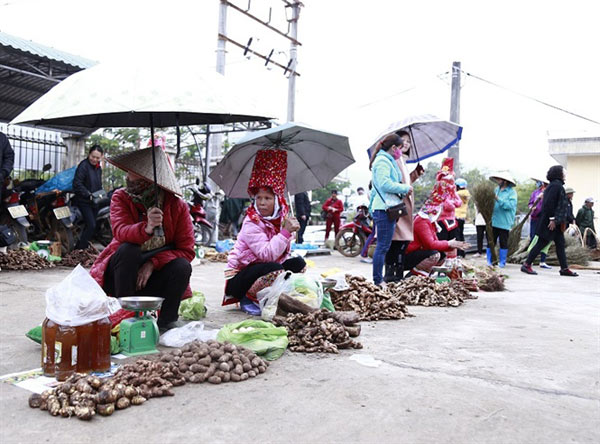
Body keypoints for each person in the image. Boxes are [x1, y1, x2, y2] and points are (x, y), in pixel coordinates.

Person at [90, 146, 195, 332]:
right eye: (129, 172)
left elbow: (186, 250)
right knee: (128, 249)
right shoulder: (120, 197)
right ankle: (125, 316)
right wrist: (146, 228)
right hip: (122, 276)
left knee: (182, 266)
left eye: (134, 172)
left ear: (148, 179)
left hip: (153, 279)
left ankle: (167, 321)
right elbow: (121, 231)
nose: (129, 177)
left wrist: (153, 263)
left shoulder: (177, 206)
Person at [223, 150, 305, 315]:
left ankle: (276, 295)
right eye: (258, 198)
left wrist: (290, 232)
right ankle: (248, 298)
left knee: (299, 264)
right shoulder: (251, 222)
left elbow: (282, 252)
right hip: (239, 279)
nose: (261, 202)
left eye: (267, 198)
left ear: (277, 201)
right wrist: (285, 232)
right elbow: (266, 254)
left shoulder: (280, 218)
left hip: (262, 269)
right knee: (274, 268)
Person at [369, 133, 411, 286]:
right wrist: (405, 188)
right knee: (382, 247)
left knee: (383, 246)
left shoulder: (386, 161)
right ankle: (378, 280)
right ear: (394, 148)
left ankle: (378, 279)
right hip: (384, 210)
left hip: (385, 208)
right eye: (400, 147)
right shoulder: (382, 162)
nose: (401, 151)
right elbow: (384, 184)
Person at [521, 165, 578, 276]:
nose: (565, 174)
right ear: (558, 174)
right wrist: (552, 219)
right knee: (541, 243)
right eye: (563, 172)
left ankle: (564, 268)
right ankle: (527, 264)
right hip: (550, 223)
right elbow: (549, 204)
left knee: (560, 244)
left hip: (556, 223)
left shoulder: (555, 186)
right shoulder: (556, 186)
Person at [385, 130, 424, 282]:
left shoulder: (403, 160)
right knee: (396, 241)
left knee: (402, 242)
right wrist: (405, 187)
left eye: (408, 141)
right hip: (397, 206)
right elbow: (395, 183)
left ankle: (396, 274)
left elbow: (405, 182)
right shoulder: (393, 160)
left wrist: (415, 174)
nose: (406, 143)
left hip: (405, 206)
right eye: (403, 140)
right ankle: (391, 275)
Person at [404, 204, 470, 277]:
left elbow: (436, 242)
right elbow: (430, 244)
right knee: (434, 255)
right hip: (409, 255)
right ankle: (415, 273)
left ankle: (427, 273)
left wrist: (452, 246)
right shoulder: (421, 221)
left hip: (419, 251)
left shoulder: (429, 221)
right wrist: (449, 243)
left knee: (442, 255)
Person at [73, 145, 104, 250]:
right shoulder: (83, 166)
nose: (94, 159)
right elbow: (77, 183)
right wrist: (88, 194)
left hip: (95, 201)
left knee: (93, 226)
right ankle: (80, 250)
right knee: (91, 225)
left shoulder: (98, 168)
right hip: (83, 201)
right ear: (89, 154)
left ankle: (80, 247)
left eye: (97, 158)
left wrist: (101, 194)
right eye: (93, 156)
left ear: (101, 157)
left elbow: (98, 184)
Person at [487, 172, 517, 268]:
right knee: (491, 241)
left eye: (499, 179)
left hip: (504, 222)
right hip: (494, 220)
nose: (498, 181)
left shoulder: (511, 192)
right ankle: (489, 260)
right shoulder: (496, 190)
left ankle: (502, 262)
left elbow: (510, 206)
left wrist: (498, 199)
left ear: (505, 181)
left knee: (503, 242)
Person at [455, 178, 470, 258]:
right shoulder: (466, 193)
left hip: (456, 216)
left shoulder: (458, 193)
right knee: (461, 235)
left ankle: (458, 253)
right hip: (462, 217)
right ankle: (462, 253)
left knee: (457, 235)